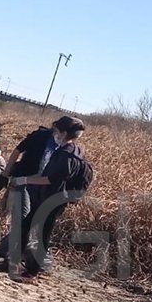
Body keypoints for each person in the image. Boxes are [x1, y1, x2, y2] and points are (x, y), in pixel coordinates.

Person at [9, 116, 91, 277]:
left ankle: (30, 270)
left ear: (64, 132)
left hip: (52, 199)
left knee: (38, 232)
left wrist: (24, 179)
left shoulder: (65, 155)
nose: (55, 134)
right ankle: (19, 263)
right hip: (58, 198)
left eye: (57, 131)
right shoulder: (77, 151)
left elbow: (50, 179)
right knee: (33, 229)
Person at [0, 117, 62, 271]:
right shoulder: (40, 136)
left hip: (39, 187)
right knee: (22, 217)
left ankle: (11, 251)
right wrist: (5, 174)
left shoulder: (63, 147)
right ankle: (12, 256)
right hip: (22, 182)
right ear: (56, 127)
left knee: (29, 220)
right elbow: (17, 150)